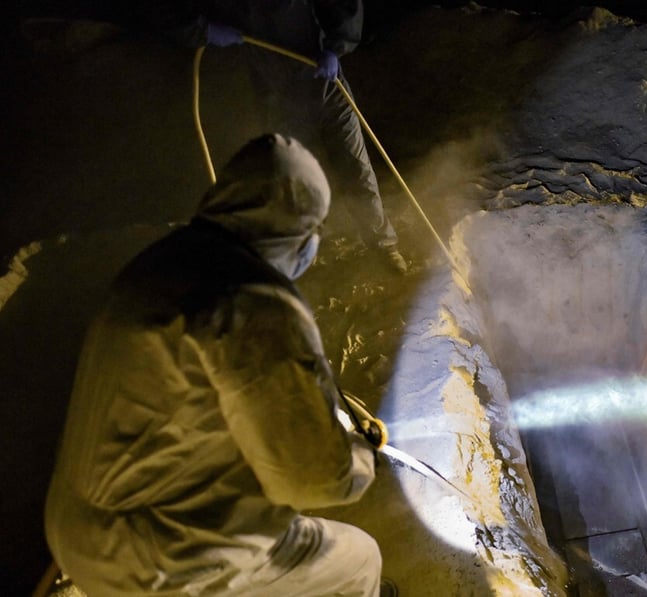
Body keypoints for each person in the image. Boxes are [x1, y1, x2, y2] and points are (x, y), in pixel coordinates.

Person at [45, 134, 394, 596]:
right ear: (296, 229)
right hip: (165, 559)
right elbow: (314, 481)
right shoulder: (257, 301)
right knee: (358, 559)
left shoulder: (157, 262)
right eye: (315, 229)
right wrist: (360, 452)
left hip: (75, 533)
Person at [145, 0, 407, 273]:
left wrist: (336, 46)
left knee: (356, 168)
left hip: (328, 87)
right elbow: (161, 12)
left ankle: (383, 245)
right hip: (279, 98)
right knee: (295, 182)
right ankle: (301, 256)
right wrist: (204, 30)